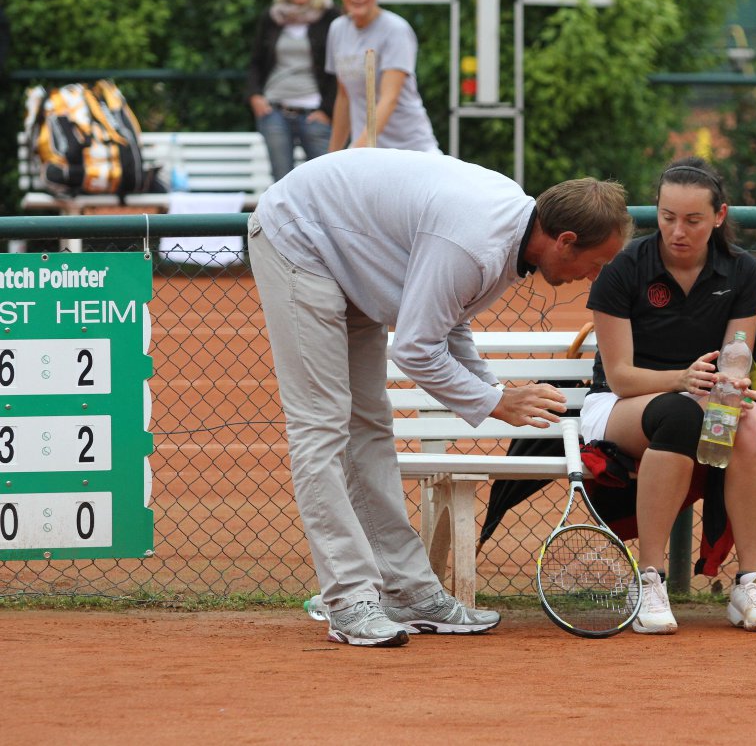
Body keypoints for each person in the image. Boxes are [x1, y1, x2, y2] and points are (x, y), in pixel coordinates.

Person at [248, 148, 630, 647]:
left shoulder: (507, 236)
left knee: (369, 426)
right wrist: (496, 401)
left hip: (350, 257)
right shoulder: (475, 243)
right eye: (596, 263)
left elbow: (449, 323)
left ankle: (409, 592)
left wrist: (495, 392)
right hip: (299, 238)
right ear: (565, 241)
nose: (594, 277)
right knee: (321, 426)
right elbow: (414, 348)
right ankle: (347, 599)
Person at [581, 156, 756, 635]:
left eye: (693, 220)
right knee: (678, 415)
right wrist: (681, 380)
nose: (678, 230)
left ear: (718, 216)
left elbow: (737, 356)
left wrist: (728, 388)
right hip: (620, 406)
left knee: (752, 423)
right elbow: (620, 377)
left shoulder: (741, 271)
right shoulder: (625, 267)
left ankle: (749, 583)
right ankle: (649, 580)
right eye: (668, 217)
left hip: (702, 399)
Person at [326, 0, 439, 153]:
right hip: (369, 151)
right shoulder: (337, 29)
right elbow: (344, 97)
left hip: (411, 150)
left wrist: (356, 150)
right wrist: (331, 158)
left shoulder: (395, 30)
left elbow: (389, 99)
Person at [246, 0, 341, 181]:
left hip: (315, 113)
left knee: (325, 180)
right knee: (282, 182)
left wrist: (327, 111)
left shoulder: (332, 18)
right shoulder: (272, 17)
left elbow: (340, 70)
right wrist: (255, 97)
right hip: (275, 110)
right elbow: (256, 62)